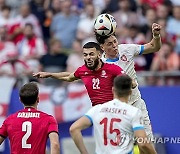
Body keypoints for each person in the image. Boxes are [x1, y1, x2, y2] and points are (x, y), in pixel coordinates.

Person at [96, 23, 162, 140]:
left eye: (115, 41)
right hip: (118, 110)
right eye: (110, 44)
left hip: (136, 104)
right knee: (122, 147)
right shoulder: (101, 66)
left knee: (146, 143)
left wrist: (156, 36)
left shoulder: (126, 49)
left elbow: (154, 47)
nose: (115, 46)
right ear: (102, 47)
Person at [69, 75, 157, 154]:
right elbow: (143, 143)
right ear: (130, 92)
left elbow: (74, 129)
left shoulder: (97, 109)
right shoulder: (133, 112)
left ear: (113, 90)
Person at [33, 42, 127, 106]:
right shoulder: (83, 70)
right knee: (74, 129)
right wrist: (49, 74)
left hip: (113, 108)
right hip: (96, 111)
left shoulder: (112, 68)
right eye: (85, 55)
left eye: (91, 54)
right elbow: (69, 77)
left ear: (99, 55)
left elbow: (128, 82)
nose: (88, 58)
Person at [0, 82, 60, 154]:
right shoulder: (48, 119)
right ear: (38, 99)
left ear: (20, 100)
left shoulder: (10, 120)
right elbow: (55, 144)